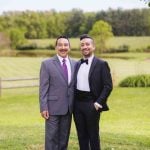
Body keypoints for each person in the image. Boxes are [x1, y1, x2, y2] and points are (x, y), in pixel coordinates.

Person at [73, 34, 113, 150]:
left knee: (93, 135)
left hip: (92, 104)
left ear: (93, 47)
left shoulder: (101, 64)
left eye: (87, 44)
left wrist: (98, 102)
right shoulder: (77, 64)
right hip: (77, 105)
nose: (84, 47)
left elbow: (108, 86)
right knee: (81, 135)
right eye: (82, 45)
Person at [39, 36, 76, 150]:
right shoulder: (47, 64)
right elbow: (43, 87)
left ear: (69, 47)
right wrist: (43, 107)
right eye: (60, 45)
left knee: (64, 138)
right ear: (56, 47)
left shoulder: (75, 64)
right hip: (52, 108)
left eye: (66, 45)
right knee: (51, 138)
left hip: (69, 108)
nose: (63, 47)